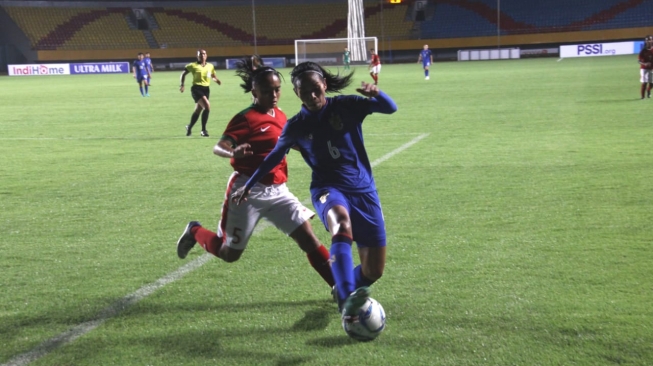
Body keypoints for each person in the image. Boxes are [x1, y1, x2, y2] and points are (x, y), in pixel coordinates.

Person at [231, 62, 398, 323]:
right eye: (303, 90)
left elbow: (390, 108)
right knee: (341, 224)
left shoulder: (346, 106)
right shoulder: (296, 126)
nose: (311, 95)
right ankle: (345, 298)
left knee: (373, 270)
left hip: (364, 191)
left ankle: (344, 288)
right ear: (297, 93)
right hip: (327, 189)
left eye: (315, 88)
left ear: (324, 85)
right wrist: (249, 185)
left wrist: (377, 94)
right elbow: (273, 157)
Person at [176, 58, 335, 289]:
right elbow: (218, 146)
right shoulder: (245, 118)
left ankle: (340, 288)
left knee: (308, 239)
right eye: (267, 91)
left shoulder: (279, 115)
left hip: (279, 191)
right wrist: (234, 151)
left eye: (277, 90)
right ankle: (194, 230)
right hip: (247, 191)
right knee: (229, 253)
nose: (273, 95)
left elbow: (285, 143)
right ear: (254, 91)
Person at [180, 49, 222, 137]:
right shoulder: (193, 65)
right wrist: (182, 85)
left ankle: (189, 127)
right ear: (197, 56)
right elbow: (183, 74)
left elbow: (213, 76)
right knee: (207, 106)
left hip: (206, 89)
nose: (202, 56)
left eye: (204, 54)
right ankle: (203, 130)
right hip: (196, 89)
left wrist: (216, 80)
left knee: (198, 110)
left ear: (206, 55)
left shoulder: (210, 66)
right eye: (200, 54)